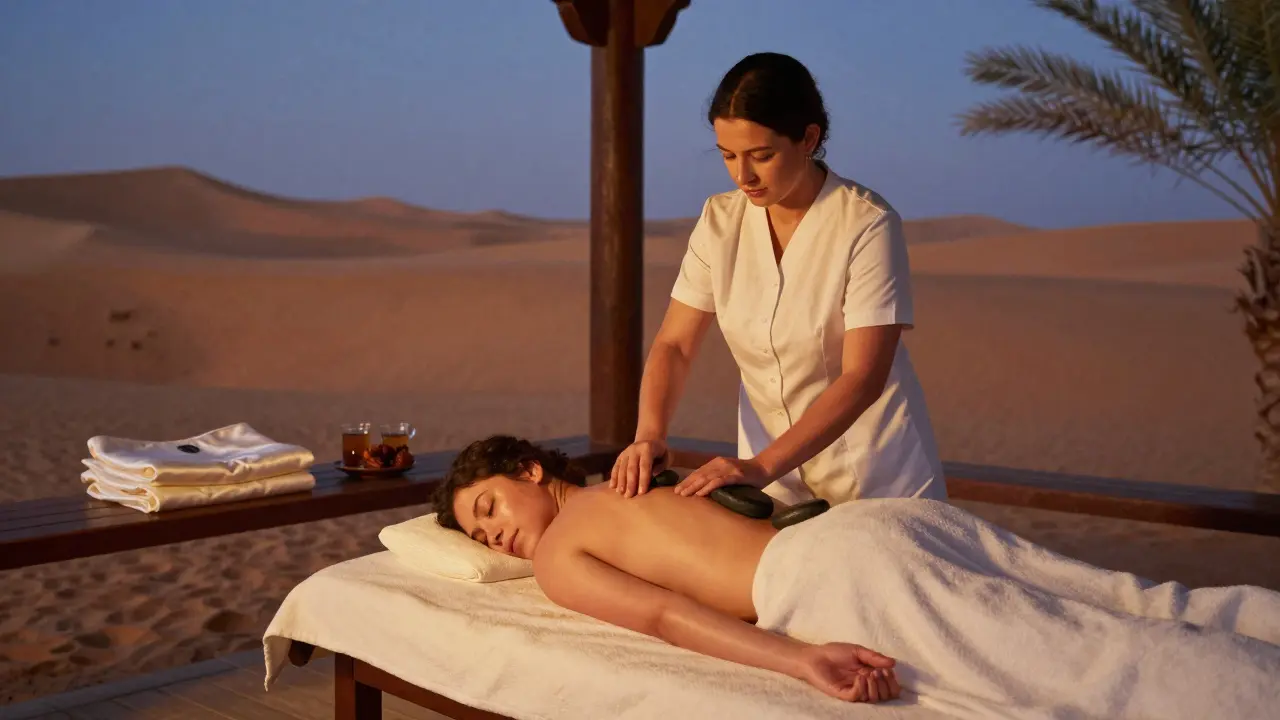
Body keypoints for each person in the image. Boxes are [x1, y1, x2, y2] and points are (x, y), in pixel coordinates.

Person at [433, 436, 1280, 718]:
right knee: (1128, 601)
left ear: (528, 469)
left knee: (1086, 659)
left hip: (834, 567)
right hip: (876, 519)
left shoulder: (560, 551)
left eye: (488, 508)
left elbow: (660, 617)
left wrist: (801, 658)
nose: (495, 537)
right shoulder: (634, 469)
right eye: (480, 533)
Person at [609, 52, 946, 508]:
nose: (742, 175)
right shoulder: (719, 221)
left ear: (809, 138)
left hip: (875, 477)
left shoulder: (866, 225)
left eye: (761, 156)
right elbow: (675, 344)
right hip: (770, 484)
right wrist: (649, 434)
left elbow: (863, 377)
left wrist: (762, 465)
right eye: (728, 155)